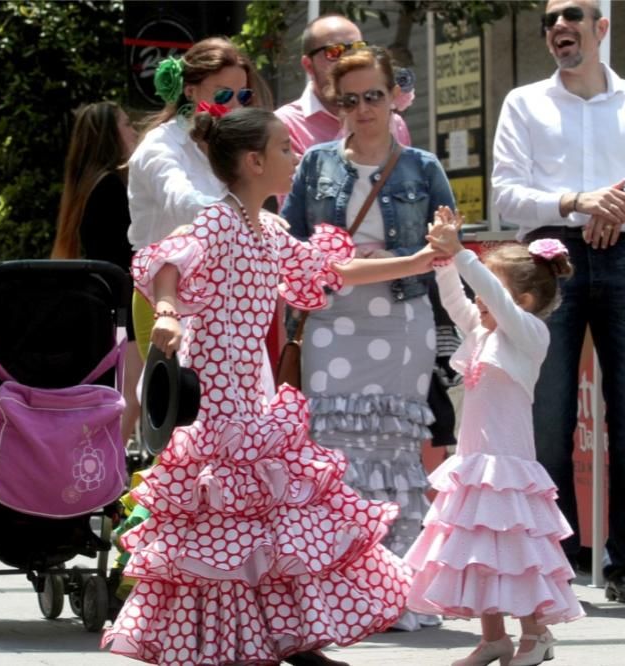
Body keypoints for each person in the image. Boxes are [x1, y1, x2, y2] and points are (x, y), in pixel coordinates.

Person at [102, 106, 446, 666]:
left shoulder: (267, 231)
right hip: (217, 404)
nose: (294, 157)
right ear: (254, 161)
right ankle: (228, 645)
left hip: (253, 401)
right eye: (284, 148)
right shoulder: (219, 221)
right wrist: (166, 310)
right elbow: (167, 259)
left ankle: (295, 641)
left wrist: (418, 259)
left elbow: (330, 270)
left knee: (275, 523)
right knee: (231, 527)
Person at [491, 0, 625, 604]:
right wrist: (578, 201)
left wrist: (617, 207)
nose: (559, 27)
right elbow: (507, 197)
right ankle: (557, 561)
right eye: (550, 20)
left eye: (572, 16)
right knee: (548, 418)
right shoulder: (525, 102)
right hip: (549, 257)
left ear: (601, 27)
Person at [280, 46, 453, 632]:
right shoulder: (316, 163)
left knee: (397, 452)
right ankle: (339, 591)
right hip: (331, 321)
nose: (361, 109)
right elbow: (295, 246)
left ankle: (397, 589)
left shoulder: (422, 166)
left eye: (372, 96)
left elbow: (446, 247)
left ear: (394, 94)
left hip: (402, 319)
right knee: (333, 454)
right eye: (348, 99)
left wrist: (431, 251)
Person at [406, 208, 583, 666]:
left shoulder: (529, 333)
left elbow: (491, 299)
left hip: (509, 463)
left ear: (522, 301)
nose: (478, 299)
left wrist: (462, 253)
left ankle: (536, 634)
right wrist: (445, 259)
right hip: (474, 461)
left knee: (517, 553)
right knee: (480, 552)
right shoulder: (482, 332)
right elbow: (455, 301)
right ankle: (494, 640)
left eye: (489, 289)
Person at [127, 36, 271, 359]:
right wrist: (247, 215)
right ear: (190, 91)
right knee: (176, 406)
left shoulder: (228, 148)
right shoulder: (159, 146)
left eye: (243, 96)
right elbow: (184, 202)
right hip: (165, 297)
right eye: (223, 94)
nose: (235, 106)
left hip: (226, 299)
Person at [51, 101, 140, 442]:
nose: (133, 130)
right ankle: (105, 477)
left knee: (121, 398)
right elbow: (122, 255)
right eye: (126, 124)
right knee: (129, 398)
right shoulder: (111, 187)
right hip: (122, 305)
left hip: (101, 306)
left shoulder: (89, 184)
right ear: (109, 135)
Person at [274, 13, 410, 159]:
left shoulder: (393, 124)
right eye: (334, 52)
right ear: (308, 65)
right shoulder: (284, 124)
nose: (349, 60)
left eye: (358, 48)